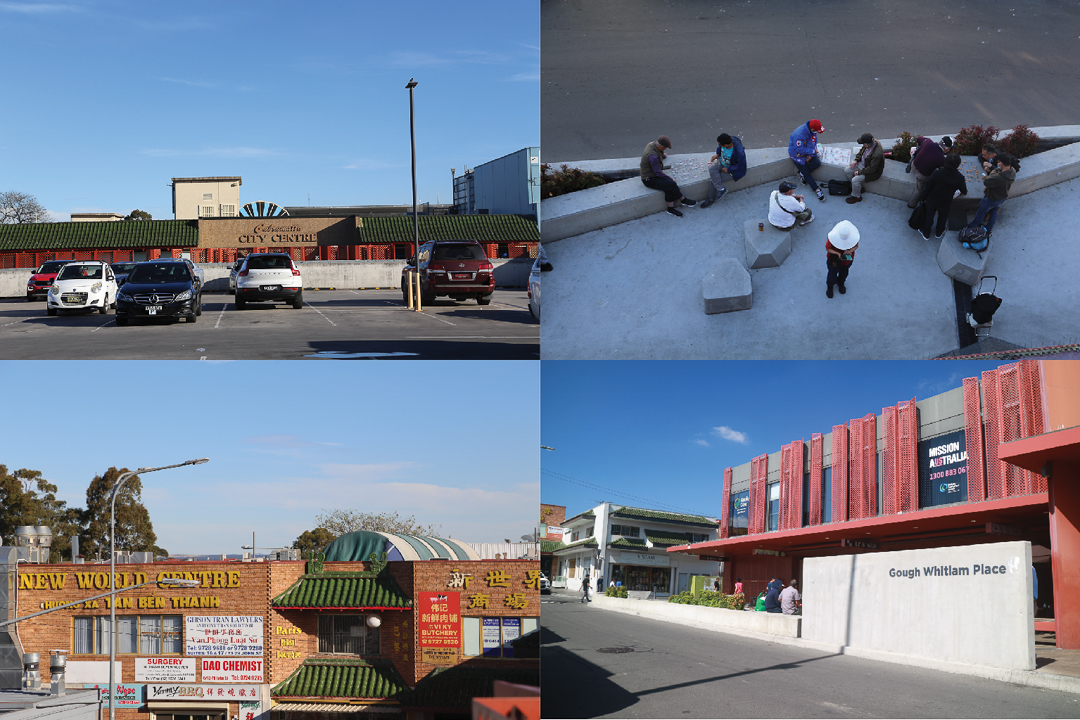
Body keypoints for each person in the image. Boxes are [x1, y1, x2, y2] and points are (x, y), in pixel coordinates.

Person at [640, 135, 696, 217]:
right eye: (665, 148)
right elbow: (658, 173)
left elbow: (658, 153)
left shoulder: (652, 144)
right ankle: (683, 200)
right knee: (672, 184)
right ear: (661, 146)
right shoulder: (653, 157)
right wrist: (671, 179)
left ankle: (671, 209)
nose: (665, 149)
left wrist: (663, 156)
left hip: (651, 174)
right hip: (648, 179)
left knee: (668, 187)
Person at [919, 154, 968, 240]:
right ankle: (939, 232)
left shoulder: (937, 173)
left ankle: (926, 233)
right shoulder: (959, 177)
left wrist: (922, 198)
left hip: (932, 199)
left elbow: (927, 187)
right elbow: (964, 191)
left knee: (929, 216)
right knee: (943, 217)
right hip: (946, 201)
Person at [967, 153, 1017, 236]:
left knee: (981, 213)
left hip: (991, 198)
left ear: (1001, 163)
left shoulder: (998, 177)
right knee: (994, 212)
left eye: (999, 162)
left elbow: (987, 181)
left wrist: (994, 169)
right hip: (1001, 198)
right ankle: (989, 229)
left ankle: (972, 226)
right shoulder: (1012, 172)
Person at [700, 133, 747, 207]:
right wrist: (717, 154)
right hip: (722, 162)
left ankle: (710, 199)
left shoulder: (739, 152)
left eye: (721, 145)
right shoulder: (728, 140)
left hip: (733, 170)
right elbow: (719, 148)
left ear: (726, 145)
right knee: (712, 169)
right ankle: (721, 189)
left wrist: (728, 169)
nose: (719, 146)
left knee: (714, 181)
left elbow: (740, 166)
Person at [907, 135, 952, 208]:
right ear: (946, 148)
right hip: (921, 175)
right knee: (919, 190)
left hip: (914, 165)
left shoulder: (928, 142)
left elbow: (919, 139)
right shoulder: (941, 159)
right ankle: (911, 204)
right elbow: (944, 169)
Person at [789, 119, 827, 202]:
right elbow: (799, 149)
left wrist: (810, 154)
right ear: (812, 129)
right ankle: (816, 189)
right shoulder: (798, 135)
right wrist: (812, 152)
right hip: (796, 155)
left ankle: (801, 173)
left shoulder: (812, 131)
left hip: (807, 151)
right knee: (807, 173)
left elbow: (813, 142)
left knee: (817, 163)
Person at [844, 133, 884, 204]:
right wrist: (856, 160)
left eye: (863, 144)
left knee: (855, 180)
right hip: (864, 164)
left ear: (867, 144)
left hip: (872, 172)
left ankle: (857, 197)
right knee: (847, 171)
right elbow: (861, 151)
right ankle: (858, 188)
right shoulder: (870, 143)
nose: (863, 145)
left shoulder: (877, 154)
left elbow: (872, 169)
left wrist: (859, 172)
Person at [825, 220, 860, 299]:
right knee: (832, 274)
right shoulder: (831, 237)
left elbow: (856, 246)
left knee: (844, 273)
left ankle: (841, 283)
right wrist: (837, 253)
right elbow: (828, 248)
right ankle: (830, 286)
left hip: (847, 261)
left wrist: (850, 251)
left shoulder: (853, 237)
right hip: (834, 260)